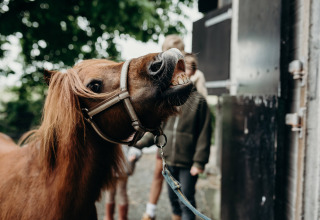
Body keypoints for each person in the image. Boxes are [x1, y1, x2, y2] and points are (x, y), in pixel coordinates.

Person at [139, 35, 210, 220]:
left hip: (187, 160)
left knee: (186, 198)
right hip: (169, 157)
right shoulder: (169, 98)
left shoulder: (199, 101)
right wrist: (140, 142)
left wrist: (199, 162)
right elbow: (159, 125)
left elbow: (204, 133)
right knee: (172, 197)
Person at [104, 145, 142, 220]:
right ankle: (109, 216)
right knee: (110, 192)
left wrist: (134, 154)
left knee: (120, 192)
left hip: (122, 167)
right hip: (112, 167)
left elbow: (136, 145)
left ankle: (121, 217)